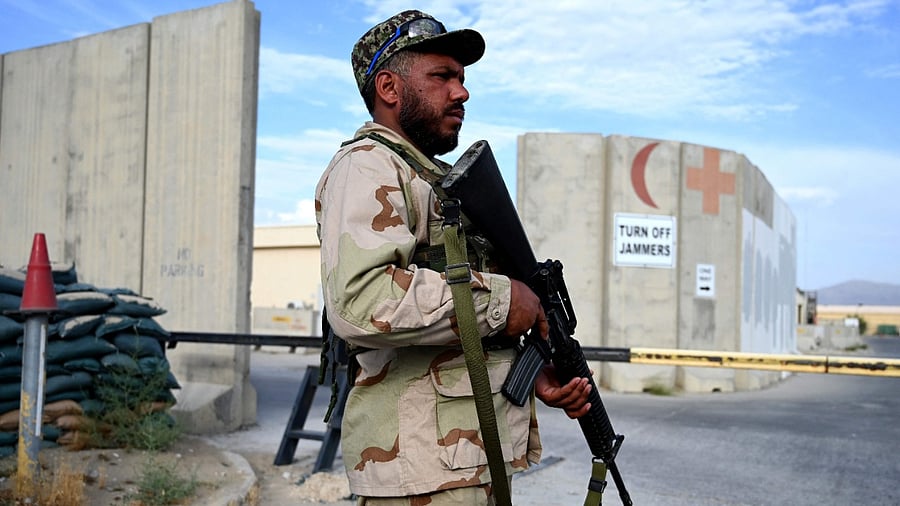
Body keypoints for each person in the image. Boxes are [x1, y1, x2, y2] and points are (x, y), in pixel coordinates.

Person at [315, 10, 592, 505]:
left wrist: (529, 377)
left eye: (461, 79)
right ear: (389, 88)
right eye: (441, 77)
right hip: (419, 472)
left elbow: (455, 322)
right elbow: (361, 301)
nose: (461, 92)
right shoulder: (368, 166)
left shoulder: (434, 181)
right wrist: (509, 302)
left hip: (462, 463)